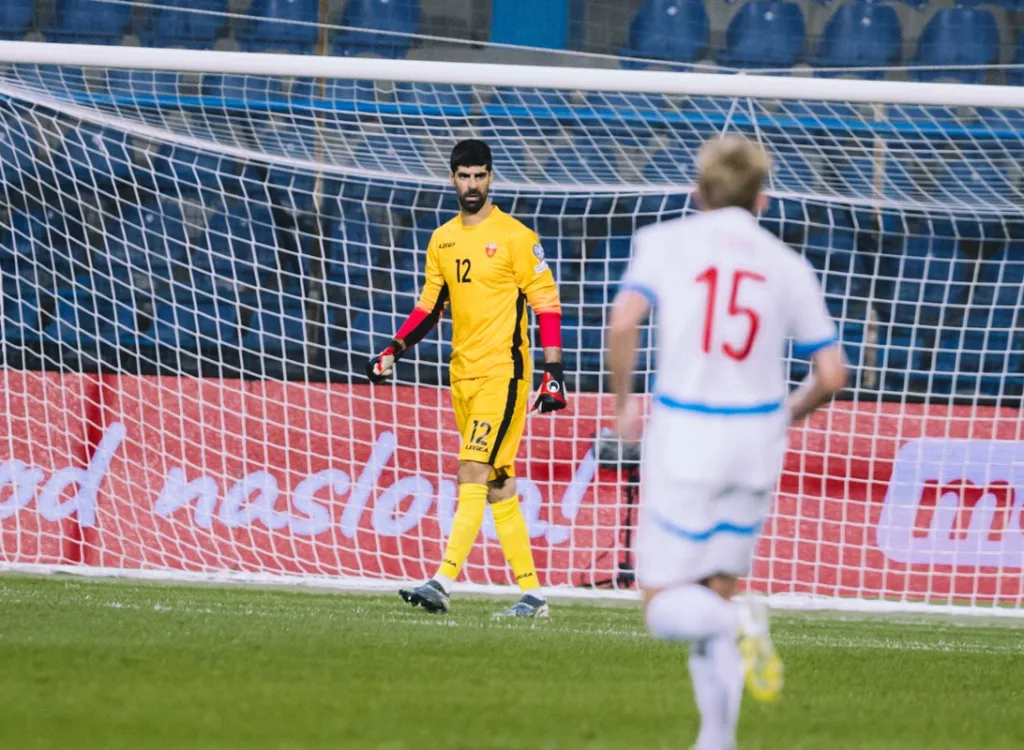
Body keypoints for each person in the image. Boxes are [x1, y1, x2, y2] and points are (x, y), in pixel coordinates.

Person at [607, 135, 847, 750]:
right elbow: (832, 375)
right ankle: (718, 739)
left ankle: (734, 621)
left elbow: (625, 319)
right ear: (763, 199)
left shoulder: (664, 242)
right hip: (755, 441)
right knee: (716, 584)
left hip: (686, 434)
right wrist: (784, 416)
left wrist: (625, 404)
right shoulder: (788, 264)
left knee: (664, 602)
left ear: (698, 191)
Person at [367, 139, 567, 618]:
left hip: (505, 373)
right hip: (463, 376)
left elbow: (546, 303)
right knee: (498, 484)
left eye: (480, 175)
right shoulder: (442, 239)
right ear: (452, 178)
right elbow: (430, 305)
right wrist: (394, 347)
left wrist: (553, 373)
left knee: (471, 469)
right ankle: (534, 595)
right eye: (464, 176)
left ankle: (442, 580)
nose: (472, 184)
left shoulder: (517, 236)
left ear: (491, 177)